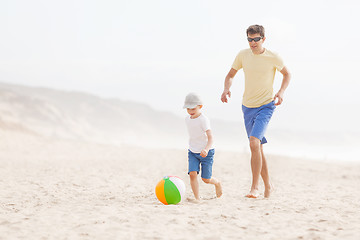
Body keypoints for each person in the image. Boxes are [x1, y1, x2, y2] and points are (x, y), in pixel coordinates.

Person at [221, 24, 291, 198]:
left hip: (266, 105)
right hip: (247, 106)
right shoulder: (242, 55)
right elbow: (230, 75)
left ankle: (254, 188)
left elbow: (287, 74)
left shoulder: (273, 57)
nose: (253, 43)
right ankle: (268, 185)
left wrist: (281, 92)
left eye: (256, 39)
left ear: (263, 39)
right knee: (257, 147)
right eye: (250, 40)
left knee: (253, 143)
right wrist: (226, 88)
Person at [183, 93, 222, 202]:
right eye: (188, 108)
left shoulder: (203, 120)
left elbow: (210, 138)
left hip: (207, 152)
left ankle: (217, 183)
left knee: (206, 179)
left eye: (193, 108)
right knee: (192, 174)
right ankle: (197, 198)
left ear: (200, 106)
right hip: (192, 151)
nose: (190, 111)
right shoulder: (187, 119)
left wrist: (206, 149)